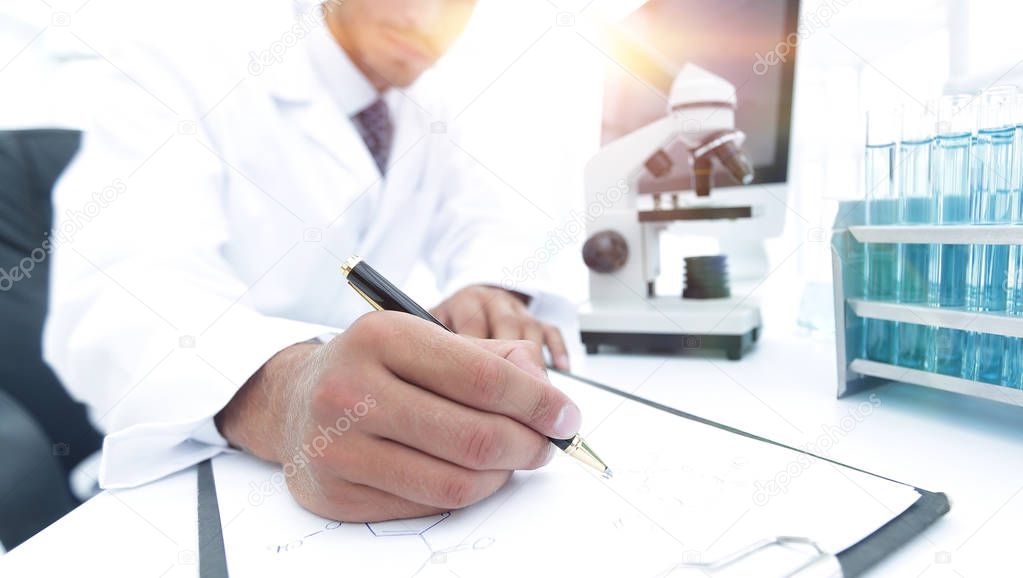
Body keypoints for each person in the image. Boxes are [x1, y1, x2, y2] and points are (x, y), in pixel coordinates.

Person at [43, 0, 580, 521]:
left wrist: (489, 288)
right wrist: (286, 396)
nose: (426, 18)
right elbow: (120, 287)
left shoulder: (426, 109)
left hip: (363, 447)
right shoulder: (184, 55)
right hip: (190, 461)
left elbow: (482, 217)